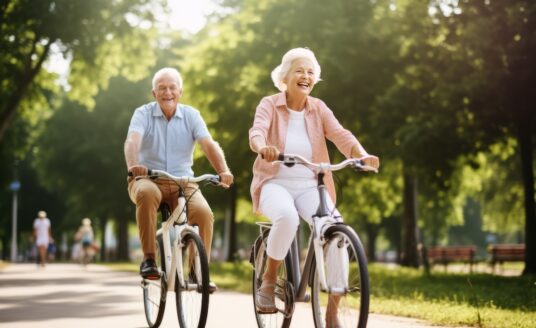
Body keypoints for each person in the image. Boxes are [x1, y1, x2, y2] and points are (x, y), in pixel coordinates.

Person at [249, 48, 380, 327]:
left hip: (311, 184)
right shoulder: (269, 104)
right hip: (275, 183)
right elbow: (256, 132)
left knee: (336, 230)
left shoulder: (318, 108)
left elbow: (340, 134)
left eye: (310, 72)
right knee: (287, 218)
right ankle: (269, 281)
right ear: (285, 76)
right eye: (300, 70)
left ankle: (331, 312)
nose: (306, 76)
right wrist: (263, 148)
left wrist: (361, 154)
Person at [124, 67, 234, 286]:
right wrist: (134, 166)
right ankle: (148, 260)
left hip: (184, 182)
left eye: (172, 87)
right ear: (154, 93)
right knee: (145, 193)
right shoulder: (143, 113)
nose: (167, 92)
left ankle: (197, 270)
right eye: (162, 88)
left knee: (204, 214)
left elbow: (208, 145)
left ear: (180, 91)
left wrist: (224, 170)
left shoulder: (191, 115)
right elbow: (132, 141)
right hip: (148, 178)